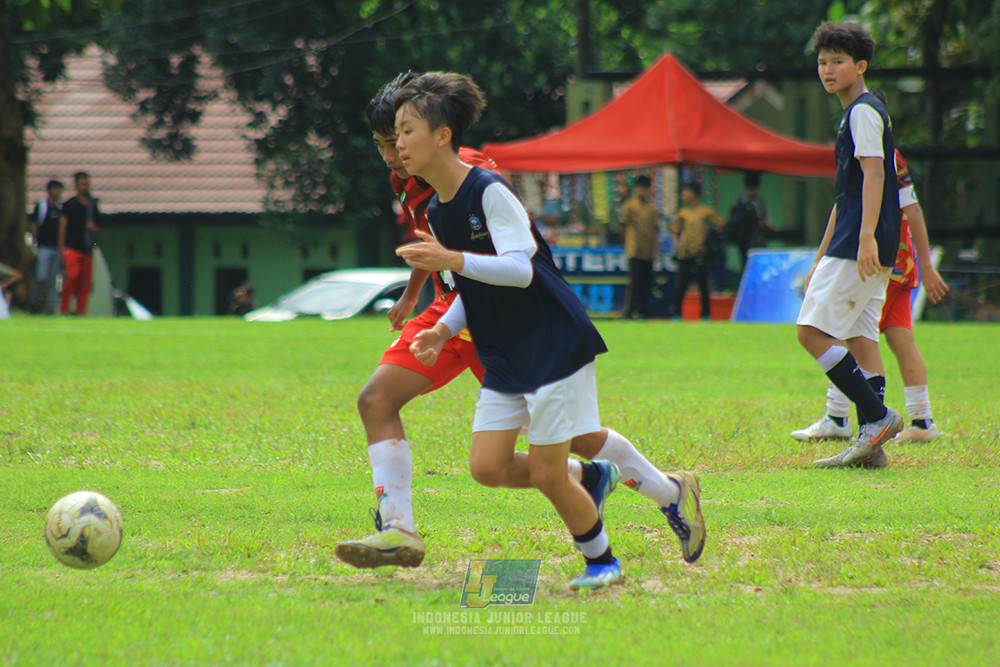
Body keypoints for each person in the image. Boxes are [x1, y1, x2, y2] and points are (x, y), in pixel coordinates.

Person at [336, 73, 704, 579]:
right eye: (385, 141)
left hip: (521, 325)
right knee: (383, 403)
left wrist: (451, 267)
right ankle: (399, 527)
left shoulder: (478, 178)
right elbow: (445, 254)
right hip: (464, 310)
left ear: (440, 133)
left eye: (400, 135)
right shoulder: (417, 183)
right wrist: (426, 307)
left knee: (572, 443)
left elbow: (512, 262)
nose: (392, 151)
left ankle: (637, 504)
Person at [792, 107, 949, 452]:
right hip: (897, 261)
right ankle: (919, 420)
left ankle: (848, 417)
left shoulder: (879, 157)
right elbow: (901, 208)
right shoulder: (889, 156)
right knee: (876, 339)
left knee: (838, 334)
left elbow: (903, 209)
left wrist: (829, 255)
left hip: (872, 254)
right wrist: (923, 265)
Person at [797, 22, 904, 468]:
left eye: (838, 61)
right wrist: (821, 254)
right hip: (864, 236)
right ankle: (870, 447)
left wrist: (863, 239)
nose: (828, 69)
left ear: (860, 66)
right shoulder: (859, 110)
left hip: (863, 238)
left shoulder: (862, 110)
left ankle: (877, 418)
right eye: (822, 62)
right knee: (861, 337)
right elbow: (846, 196)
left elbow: (876, 175)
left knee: (810, 331)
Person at [670, 181, 725, 320]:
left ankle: (705, 315)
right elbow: (674, 230)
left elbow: (721, 225)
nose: (683, 195)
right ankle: (677, 314)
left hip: (701, 255)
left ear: (693, 194)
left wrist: (710, 242)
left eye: (685, 192)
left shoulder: (706, 212)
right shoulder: (683, 213)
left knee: (703, 286)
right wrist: (678, 245)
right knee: (680, 286)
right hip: (685, 255)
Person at [58, 172, 101, 315]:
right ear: (76, 185)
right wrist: (61, 247)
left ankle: (81, 311)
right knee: (72, 275)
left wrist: (92, 227)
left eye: (86, 183)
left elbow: (99, 226)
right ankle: (64, 308)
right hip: (72, 247)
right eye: (82, 183)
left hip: (88, 249)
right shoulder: (69, 205)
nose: (84, 186)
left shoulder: (92, 204)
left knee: (85, 283)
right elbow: (63, 226)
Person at [621, 175, 658, 320]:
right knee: (634, 283)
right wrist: (625, 244)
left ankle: (643, 311)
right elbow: (623, 227)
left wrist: (655, 249)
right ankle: (629, 312)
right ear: (635, 189)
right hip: (634, 250)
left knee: (646, 283)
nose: (642, 191)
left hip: (648, 251)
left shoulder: (651, 209)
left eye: (645, 188)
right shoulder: (630, 206)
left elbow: (655, 230)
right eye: (640, 188)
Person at [29, 180, 64, 314]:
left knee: (55, 280)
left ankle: (51, 308)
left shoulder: (61, 208)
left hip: (57, 248)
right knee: (41, 277)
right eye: (55, 189)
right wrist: (34, 244)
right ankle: (34, 304)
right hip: (44, 247)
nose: (58, 192)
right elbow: (34, 225)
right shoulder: (42, 207)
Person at [726, 171, 770, 275]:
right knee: (757, 267)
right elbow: (762, 223)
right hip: (755, 240)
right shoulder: (757, 202)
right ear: (759, 184)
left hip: (741, 239)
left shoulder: (738, 200)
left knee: (745, 265)